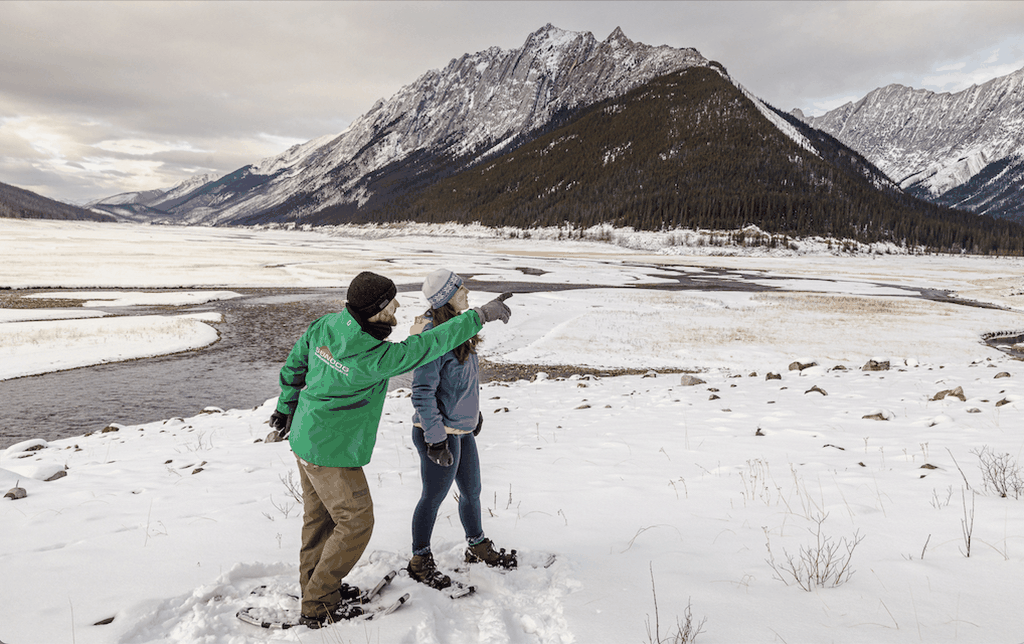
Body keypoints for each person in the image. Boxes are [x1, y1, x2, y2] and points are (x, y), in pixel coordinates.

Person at [268, 270, 512, 628]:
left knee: (320, 520)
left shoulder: (328, 326)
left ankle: (317, 588)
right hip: (331, 450)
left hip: (306, 436)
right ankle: (319, 603)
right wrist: (481, 315)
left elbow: (295, 365)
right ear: (376, 310)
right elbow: (426, 347)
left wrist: (284, 408)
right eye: (391, 301)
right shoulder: (373, 357)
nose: (398, 304)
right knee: (356, 521)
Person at [406, 269, 517, 591]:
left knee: (472, 491)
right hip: (438, 435)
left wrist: (473, 412)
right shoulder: (432, 336)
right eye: (460, 289)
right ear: (445, 298)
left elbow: (463, 381)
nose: (467, 292)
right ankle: (419, 559)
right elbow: (422, 393)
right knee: (433, 498)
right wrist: (435, 437)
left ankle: (476, 544)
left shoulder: (457, 330)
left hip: (461, 431)